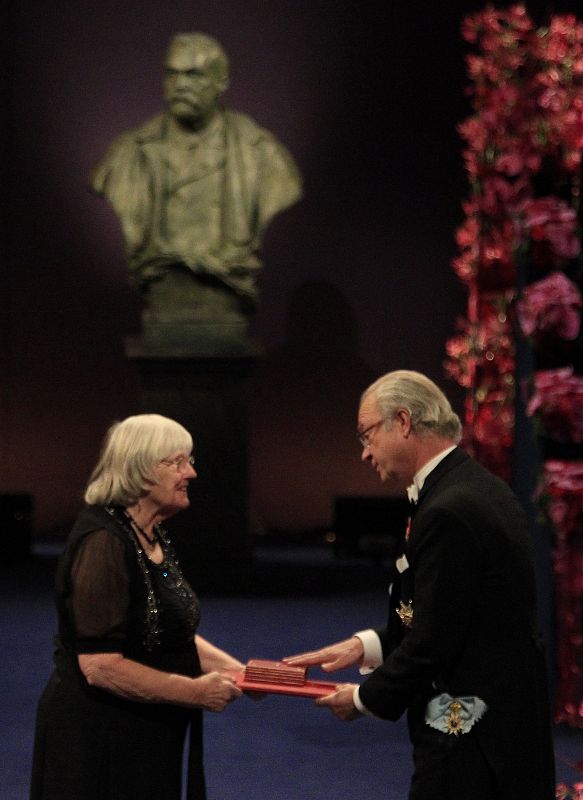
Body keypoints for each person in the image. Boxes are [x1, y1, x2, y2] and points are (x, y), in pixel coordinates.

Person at [286, 370, 555, 799]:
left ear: (404, 421)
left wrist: (363, 699)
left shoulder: (450, 507)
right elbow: (451, 609)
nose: (364, 453)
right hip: (495, 718)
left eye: (367, 434)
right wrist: (367, 645)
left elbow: (435, 639)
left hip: (470, 727)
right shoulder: (470, 486)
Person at [30, 413, 244, 800]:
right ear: (141, 470)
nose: (191, 472)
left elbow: (167, 630)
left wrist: (240, 673)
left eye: (190, 460)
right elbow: (100, 665)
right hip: (99, 737)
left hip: (145, 729)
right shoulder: (104, 542)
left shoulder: (150, 532)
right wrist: (193, 692)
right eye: (177, 462)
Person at [90, 32, 302, 334]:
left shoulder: (261, 155)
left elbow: (285, 189)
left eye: (194, 75)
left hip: (226, 306)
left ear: (221, 83)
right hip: (162, 303)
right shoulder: (129, 154)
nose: (180, 85)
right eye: (172, 74)